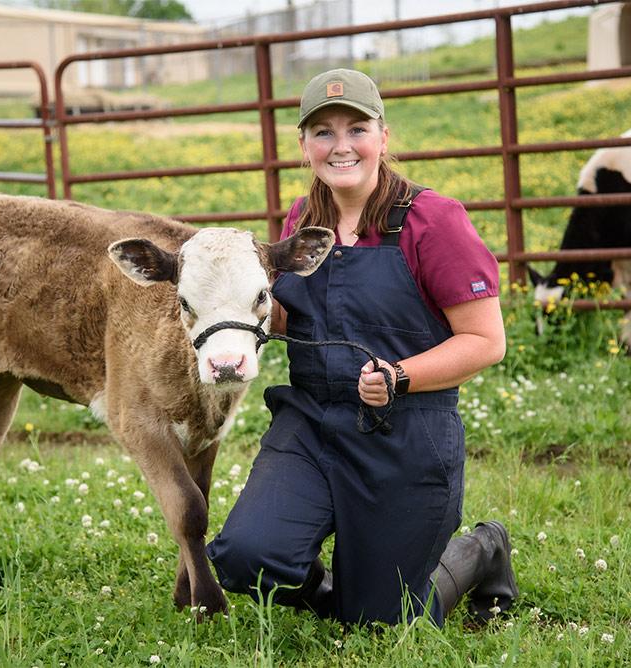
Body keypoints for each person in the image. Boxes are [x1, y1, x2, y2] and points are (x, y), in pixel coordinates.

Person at [206, 68, 518, 626]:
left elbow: (485, 341)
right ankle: (352, 596)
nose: (341, 145)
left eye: (357, 128)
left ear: (383, 137)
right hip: (311, 423)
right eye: (322, 132)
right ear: (303, 146)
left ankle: (483, 548)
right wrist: (229, 310)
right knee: (247, 556)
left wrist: (398, 376)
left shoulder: (433, 221)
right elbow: (288, 312)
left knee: (390, 621)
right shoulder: (305, 218)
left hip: (405, 433)